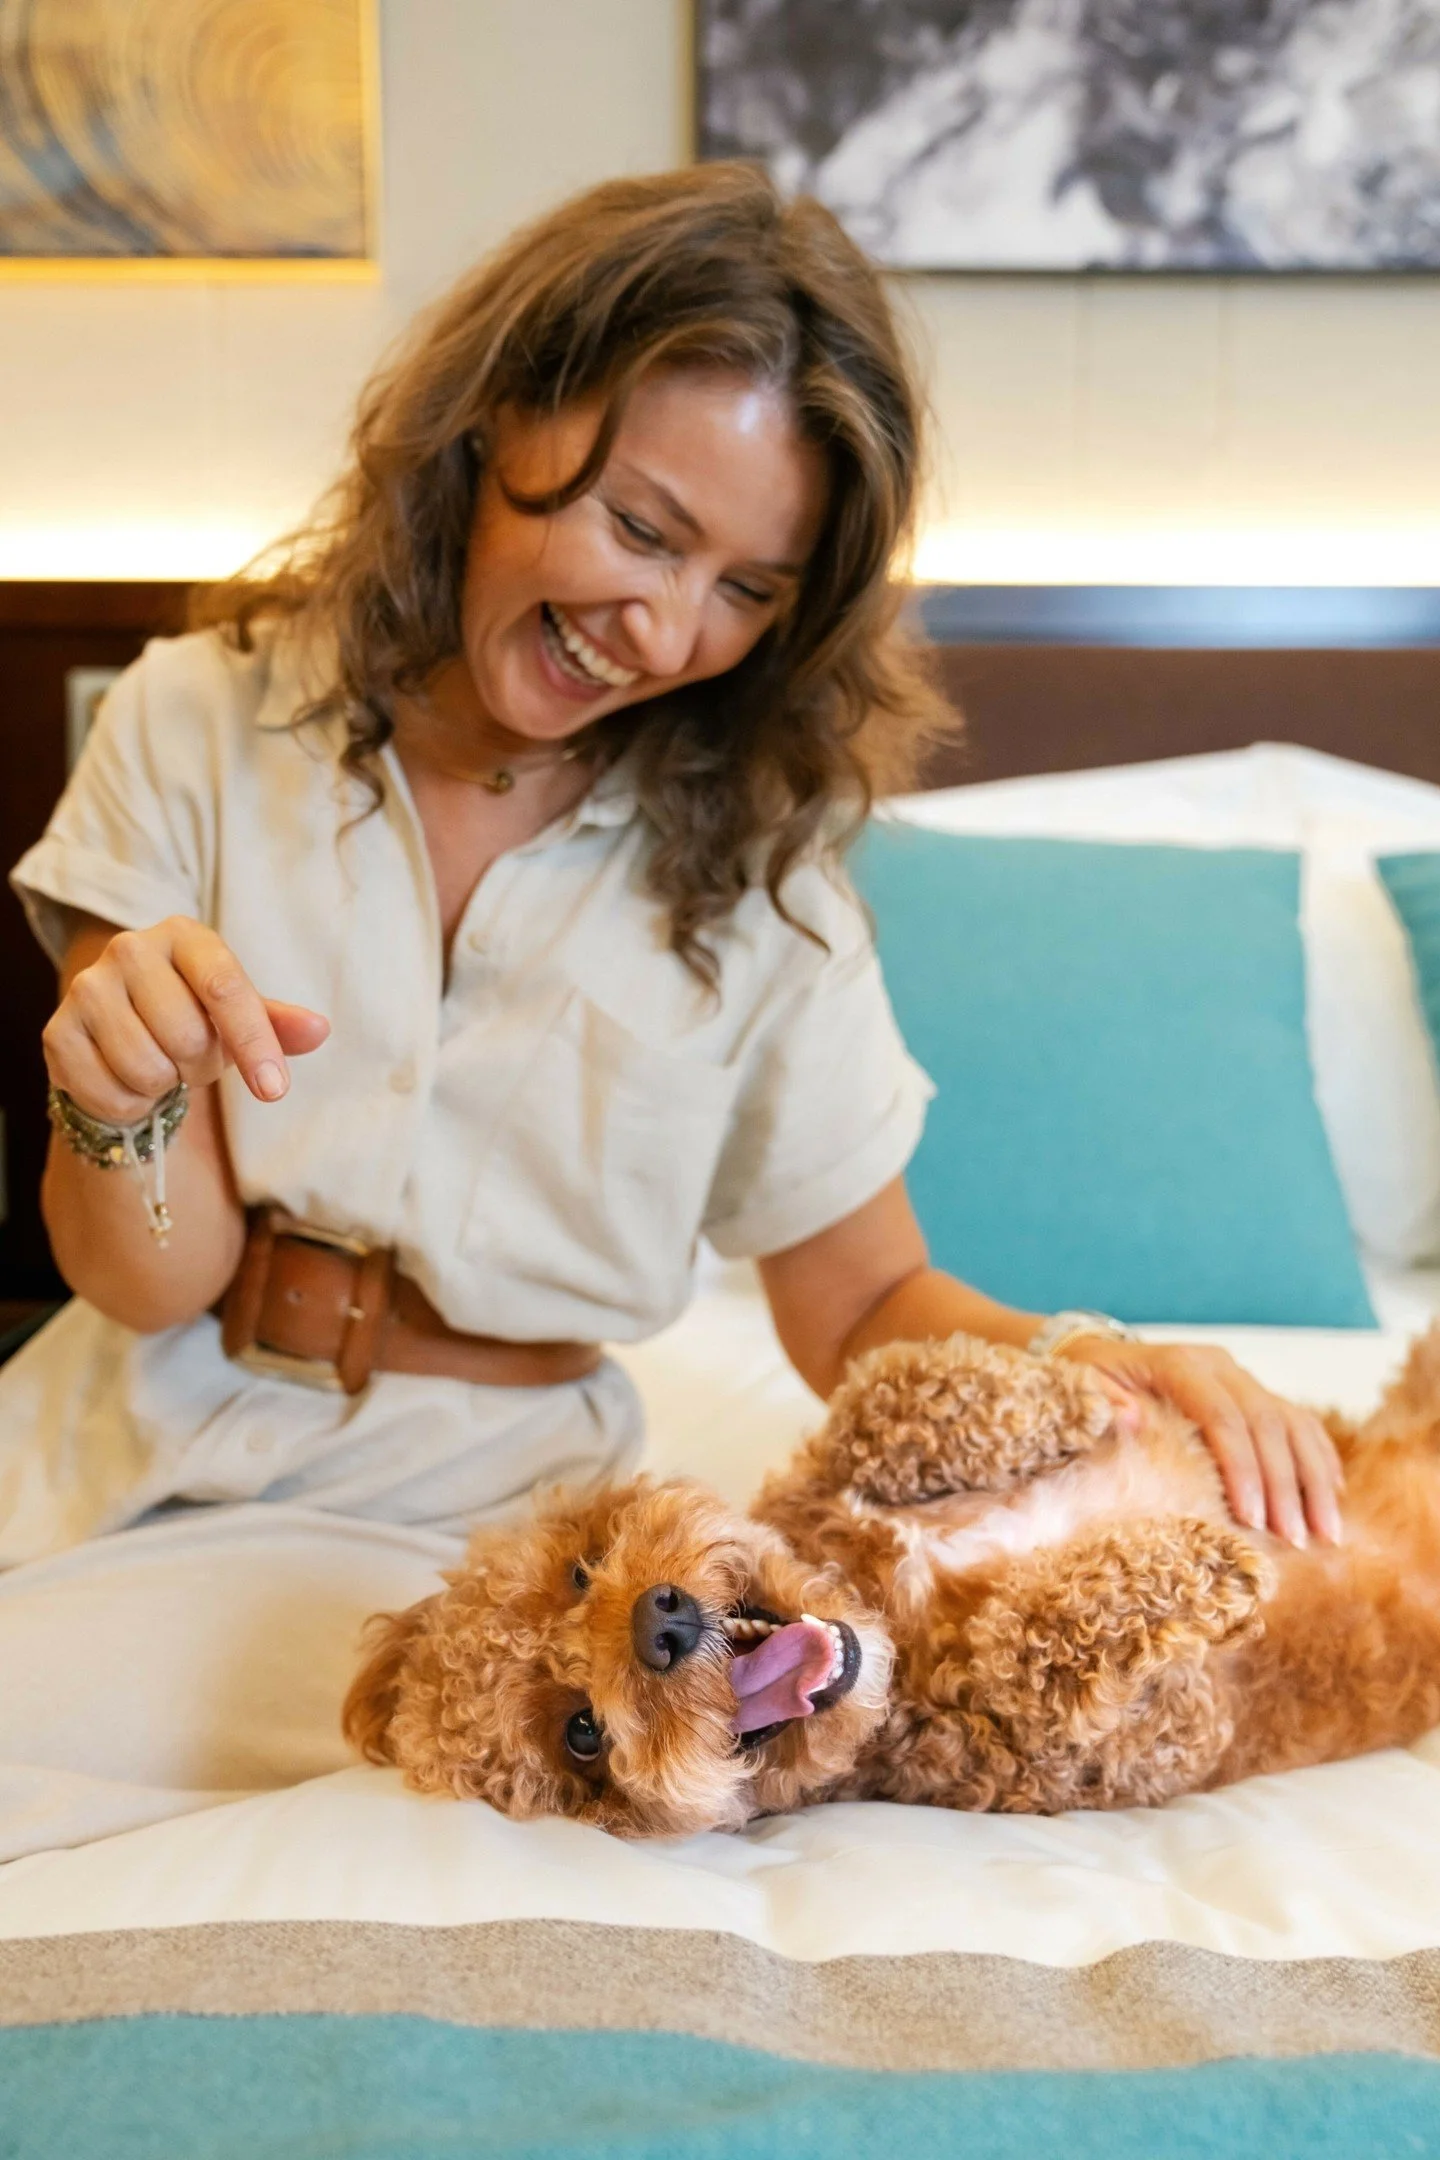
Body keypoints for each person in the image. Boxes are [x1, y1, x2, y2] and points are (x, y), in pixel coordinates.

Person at [0, 165, 1340, 1857]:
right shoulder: (196, 722)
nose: (664, 628)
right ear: (500, 418)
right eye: (639, 529)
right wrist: (116, 1095)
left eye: (747, 590)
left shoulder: (769, 874)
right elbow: (150, 1276)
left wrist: (1101, 1358)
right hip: (108, 1435)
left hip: (484, 1519)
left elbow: (864, 1304)